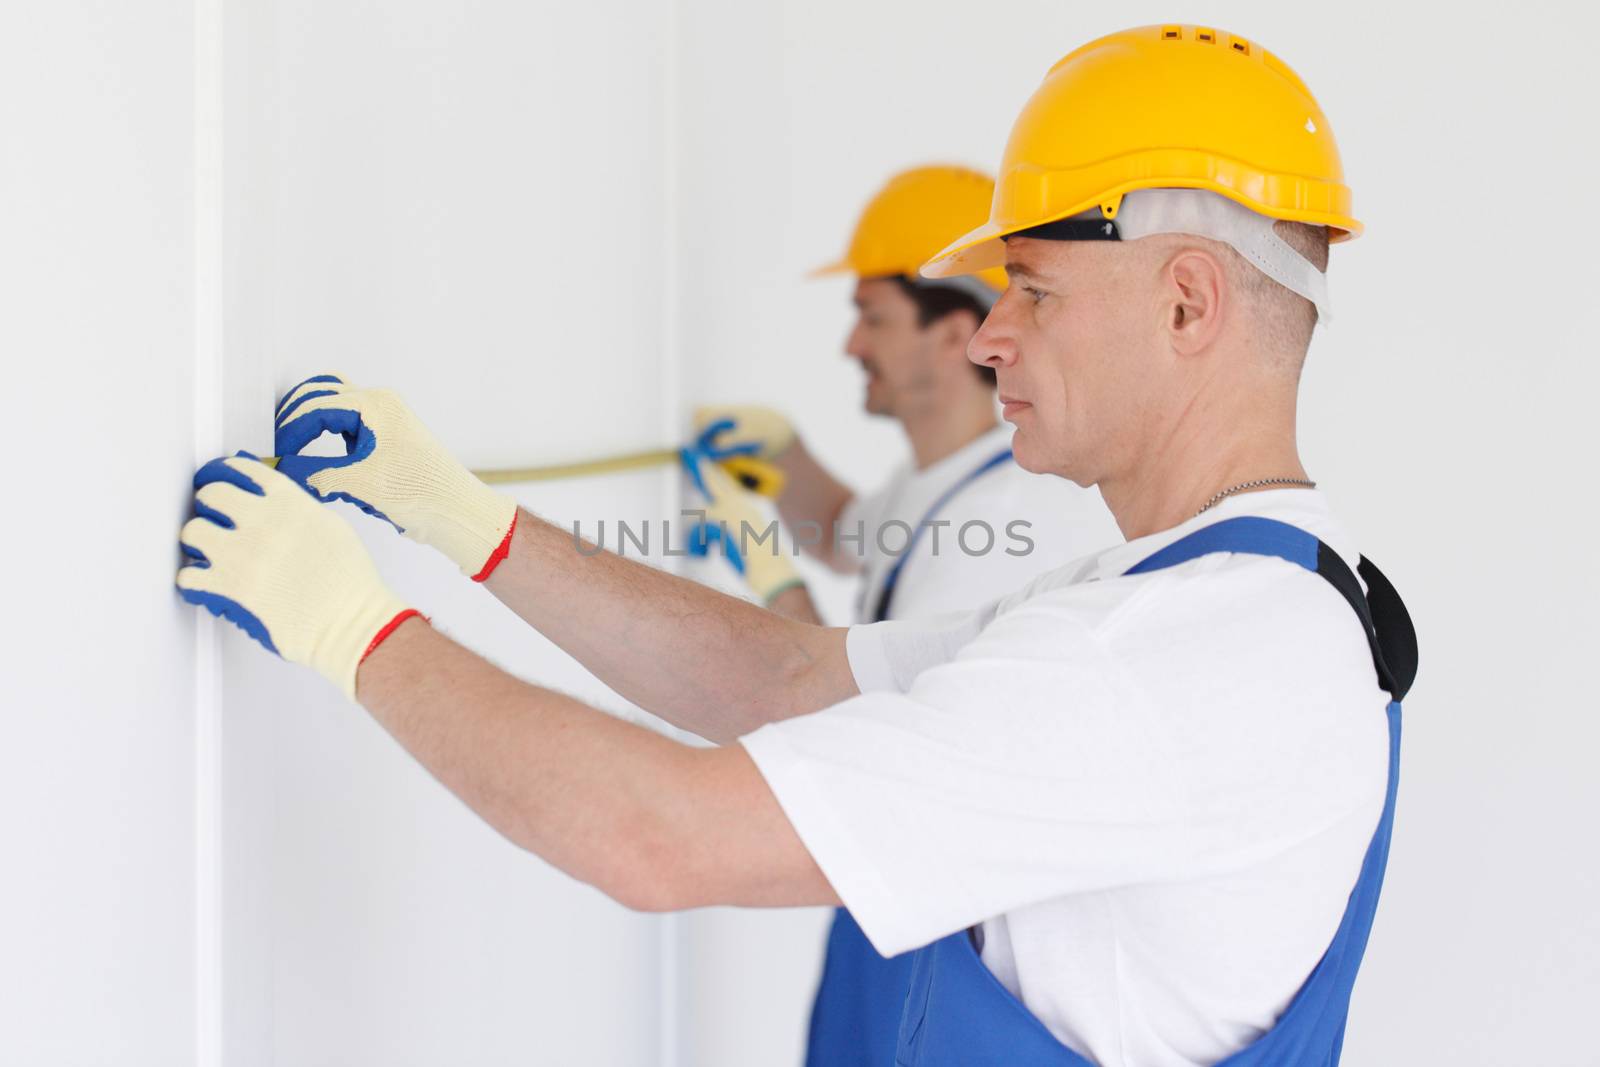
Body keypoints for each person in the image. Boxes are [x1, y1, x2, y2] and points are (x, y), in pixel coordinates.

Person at [178, 24, 1416, 1066]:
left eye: (1030, 287)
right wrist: (465, 519)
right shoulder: (1217, 595)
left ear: (1188, 301)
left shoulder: (1166, 658)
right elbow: (779, 678)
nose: (990, 336)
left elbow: (654, 834)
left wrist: (352, 626)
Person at [681, 165, 1119, 1064]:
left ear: (954, 331)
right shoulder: (950, 480)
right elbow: (857, 535)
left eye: (872, 316)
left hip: (945, 944)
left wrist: (769, 579)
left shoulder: (1007, 522)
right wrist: (789, 462)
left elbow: (857, 724)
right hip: (895, 913)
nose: (851, 345)